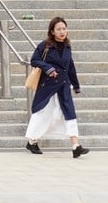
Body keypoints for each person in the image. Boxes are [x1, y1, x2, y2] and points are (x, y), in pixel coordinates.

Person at [25, 16, 89, 157]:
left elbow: (70, 66)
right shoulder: (45, 45)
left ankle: (75, 145)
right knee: (43, 114)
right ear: (52, 31)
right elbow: (34, 60)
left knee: (70, 114)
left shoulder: (67, 46)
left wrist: (76, 85)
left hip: (64, 86)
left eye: (64, 28)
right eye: (58, 29)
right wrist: (48, 68)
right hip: (48, 87)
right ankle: (32, 141)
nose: (62, 31)